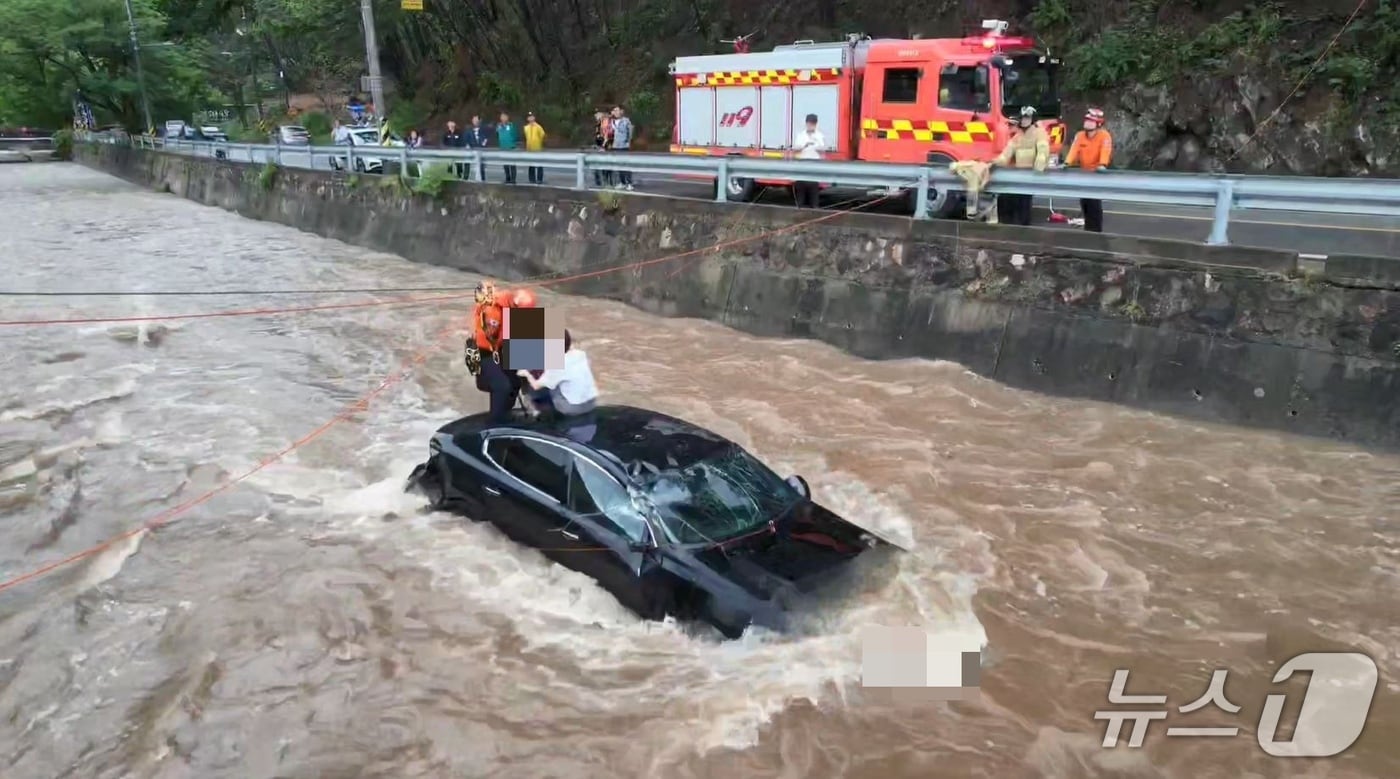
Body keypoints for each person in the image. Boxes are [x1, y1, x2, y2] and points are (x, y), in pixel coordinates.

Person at [465, 280, 537, 422]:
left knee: (517, 381)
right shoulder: (493, 313)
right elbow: (489, 339)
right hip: (485, 351)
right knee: (502, 386)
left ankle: (507, 413)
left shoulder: (513, 309)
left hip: (502, 347)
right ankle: (495, 422)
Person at [516, 329, 598, 418]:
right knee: (559, 380)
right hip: (592, 403)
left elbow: (536, 386)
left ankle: (540, 410)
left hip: (573, 408)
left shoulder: (556, 366)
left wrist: (526, 373)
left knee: (543, 383)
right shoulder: (580, 354)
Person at [991, 105, 1050, 226]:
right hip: (1018, 175)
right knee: (1006, 199)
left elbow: (1043, 151)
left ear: (1033, 119)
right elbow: (1006, 154)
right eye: (1022, 118)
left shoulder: (1040, 133)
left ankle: (1023, 229)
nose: (1024, 121)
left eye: (1027, 118)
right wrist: (993, 163)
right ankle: (1008, 227)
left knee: (1024, 204)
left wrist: (1038, 168)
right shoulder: (1017, 136)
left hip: (1031, 175)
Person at [1064, 107, 1113, 233]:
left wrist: (1102, 164)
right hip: (1084, 173)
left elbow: (1105, 151)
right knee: (1084, 202)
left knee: (1094, 204)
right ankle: (1088, 229)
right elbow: (1074, 150)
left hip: (1096, 173)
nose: (1087, 123)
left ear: (1098, 124)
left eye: (1090, 121)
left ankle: (1096, 231)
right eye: (1086, 120)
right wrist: (1067, 163)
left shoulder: (1104, 136)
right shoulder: (1080, 136)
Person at [791, 113, 825, 208]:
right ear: (806, 123)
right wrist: (804, 145)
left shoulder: (819, 135)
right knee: (800, 192)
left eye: (813, 123)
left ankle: (814, 209)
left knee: (813, 192)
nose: (811, 125)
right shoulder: (801, 135)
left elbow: (822, 149)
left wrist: (815, 143)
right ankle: (800, 209)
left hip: (814, 165)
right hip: (802, 164)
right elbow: (796, 149)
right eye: (809, 123)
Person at [609, 106, 634, 190]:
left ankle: (629, 183)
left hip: (624, 146)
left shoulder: (626, 121)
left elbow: (630, 132)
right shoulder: (612, 122)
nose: (615, 112)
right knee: (619, 165)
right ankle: (622, 182)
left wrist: (627, 141)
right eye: (614, 111)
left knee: (625, 164)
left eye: (617, 110)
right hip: (615, 145)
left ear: (621, 111)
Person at [495, 111, 519, 184]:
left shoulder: (511, 125)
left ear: (507, 117)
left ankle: (513, 179)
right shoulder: (498, 126)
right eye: (502, 116)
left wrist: (513, 143)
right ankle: (507, 178)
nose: (503, 118)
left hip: (511, 147)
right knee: (505, 164)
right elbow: (497, 135)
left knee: (512, 164)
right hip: (503, 147)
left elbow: (515, 135)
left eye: (504, 116)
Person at [524, 112, 546, 184]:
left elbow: (542, 135)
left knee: (539, 164)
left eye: (532, 117)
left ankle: (539, 179)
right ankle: (531, 179)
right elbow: (526, 137)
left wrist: (538, 141)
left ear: (534, 118)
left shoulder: (538, 126)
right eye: (529, 117)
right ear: (527, 118)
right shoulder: (526, 127)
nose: (531, 118)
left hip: (537, 148)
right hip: (529, 148)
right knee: (531, 164)